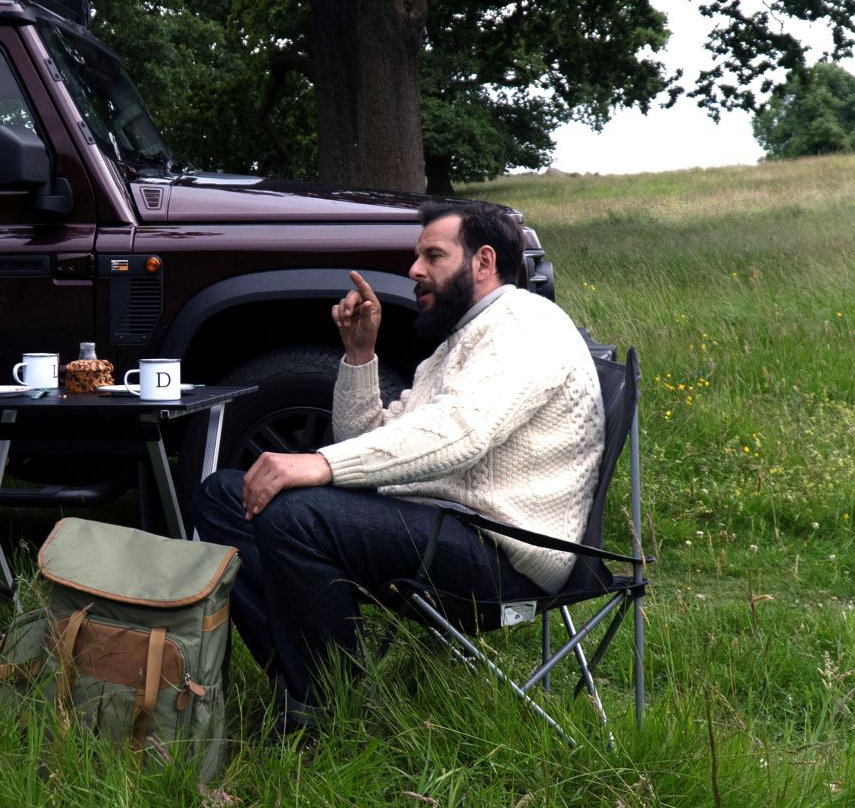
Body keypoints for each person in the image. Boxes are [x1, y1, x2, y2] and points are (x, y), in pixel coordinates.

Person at [194, 201, 605, 727]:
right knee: (225, 497)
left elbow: (461, 432)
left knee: (295, 516)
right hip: (445, 526)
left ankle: (326, 713)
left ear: (483, 262)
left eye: (433, 256)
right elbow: (374, 442)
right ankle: (303, 678)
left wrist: (319, 464)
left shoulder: (525, 327)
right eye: (417, 256)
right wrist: (359, 356)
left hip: (505, 554)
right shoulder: (463, 337)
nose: (414, 270)